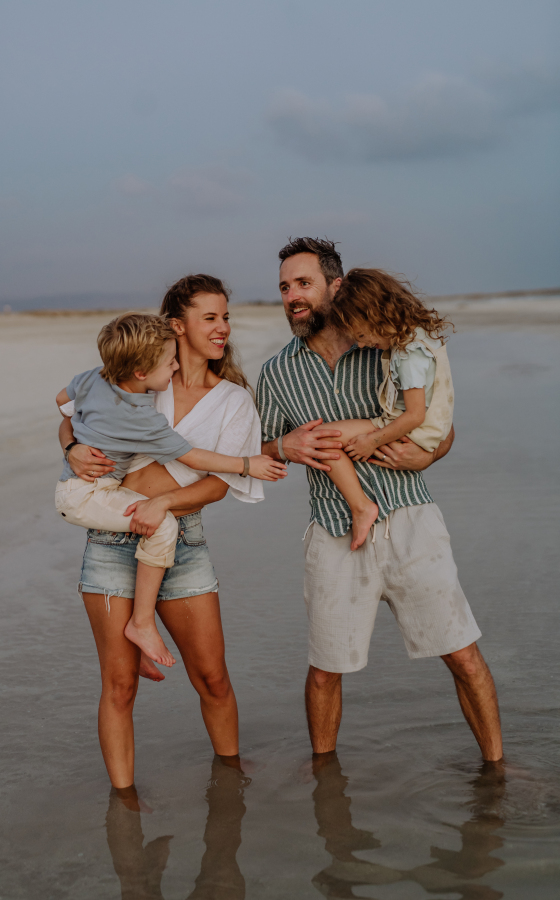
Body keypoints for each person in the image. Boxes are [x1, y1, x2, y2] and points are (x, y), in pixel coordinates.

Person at [257, 237, 503, 762]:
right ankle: (327, 786)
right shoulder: (277, 373)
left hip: (413, 521)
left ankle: (498, 770)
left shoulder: (386, 344)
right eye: (284, 287)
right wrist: (284, 445)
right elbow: (255, 450)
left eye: (304, 284)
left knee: (463, 654)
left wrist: (427, 458)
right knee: (325, 668)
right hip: (332, 529)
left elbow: (442, 427)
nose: (292, 297)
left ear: (335, 286)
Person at [58, 274, 267, 793]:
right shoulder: (142, 375)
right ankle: (124, 805)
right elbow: (73, 417)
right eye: (210, 318)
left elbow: (218, 484)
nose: (223, 328)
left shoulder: (234, 401)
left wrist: (164, 503)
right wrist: (69, 449)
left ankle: (229, 784)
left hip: (180, 540)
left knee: (212, 679)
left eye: (225, 317)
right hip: (112, 542)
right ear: (178, 325)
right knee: (120, 685)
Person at [55, 312, 285, 667]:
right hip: (89, 495)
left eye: (225, 316)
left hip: (83, 489)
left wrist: (78, 439)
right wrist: (246, 464)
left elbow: (62, 404)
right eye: (169, 362)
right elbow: (192, 457)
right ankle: (142, 623)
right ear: (141, 372)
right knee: (163, 526)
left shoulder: (94, 379)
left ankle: (139, 636)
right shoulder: (141, 414)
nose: (175, 366)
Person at [316, 267, 455, 548]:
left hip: (415, 431)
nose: (363, 344)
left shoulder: (409, 353)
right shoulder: (421, 336)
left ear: (376, 315)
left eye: (363, 336)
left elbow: (415, 414)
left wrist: (371, 441)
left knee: (321, 439)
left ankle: (361, 507)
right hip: (430, 429)